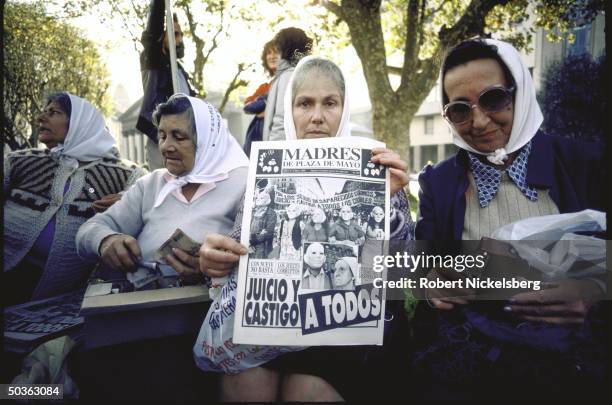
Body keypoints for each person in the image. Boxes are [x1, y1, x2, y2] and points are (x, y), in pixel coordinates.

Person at [196, 56, 414, 401]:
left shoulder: (376, 168)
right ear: (290, 110)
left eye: (330, 103)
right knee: (246, 384)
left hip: (342, 331)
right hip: (270, 331)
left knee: (305, 392)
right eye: (304, 103)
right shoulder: (267, 172)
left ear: (344, 109)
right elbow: (239, 246)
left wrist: (385, 206)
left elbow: (401, 270)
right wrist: (215, 258)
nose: (316, 116)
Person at [413, 38, 605, 399]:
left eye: (493, 99)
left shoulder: (587, 165)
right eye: (459, 109)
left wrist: (594, 295)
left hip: (573, 367)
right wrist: (431, 282)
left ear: (520, 93)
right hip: (473, 365)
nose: (480, 121)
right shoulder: (437, 183)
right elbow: (423, 262)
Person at [76, 94, 248, 284]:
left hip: (207, 304)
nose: (166, 146)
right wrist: (106, 240)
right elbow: (88, 230)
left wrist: (209, 271)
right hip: (141, 301)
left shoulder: (245, 184)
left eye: (179, 137)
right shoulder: (151, 184)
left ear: (209, 141)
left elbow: (260, 258)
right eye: (162, 135)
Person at [3, 92, 145, 306]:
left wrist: (126, 201)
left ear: (80, 122)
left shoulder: (124, 173)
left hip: (65, 298)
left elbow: (148, 194)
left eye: (54, 112)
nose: (41, 118)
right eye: (44, 112)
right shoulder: (19, 162)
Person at [137, 0, 196, 170]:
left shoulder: (180, 70)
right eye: (175, 33)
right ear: (163, 35)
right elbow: (153, 28)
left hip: (184, 136)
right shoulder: (155, 61)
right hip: (162, 137)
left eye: (181, 34)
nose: (180, 39)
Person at [262, 27, 312, 141]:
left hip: (279, 148)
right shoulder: (302, 72)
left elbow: (282, 118)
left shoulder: (288, 75)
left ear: (285, 47)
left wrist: (273, 150)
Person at [243, 40, 280, 156]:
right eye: (269, 53)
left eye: (276, 52)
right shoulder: (265, 87)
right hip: (259, 136)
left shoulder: (291, 80)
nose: (272, 56)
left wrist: (268, 110)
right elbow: (248, 106)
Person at [249, 191, 277, 259]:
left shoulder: (271, 213)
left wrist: (252, 241)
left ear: (267, 201)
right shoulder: (253, 211)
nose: (258, 199)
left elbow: (268, 233)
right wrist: (249, 242)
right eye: (258, 198)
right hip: (251, 245)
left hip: (262, 247)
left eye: (261, 198)